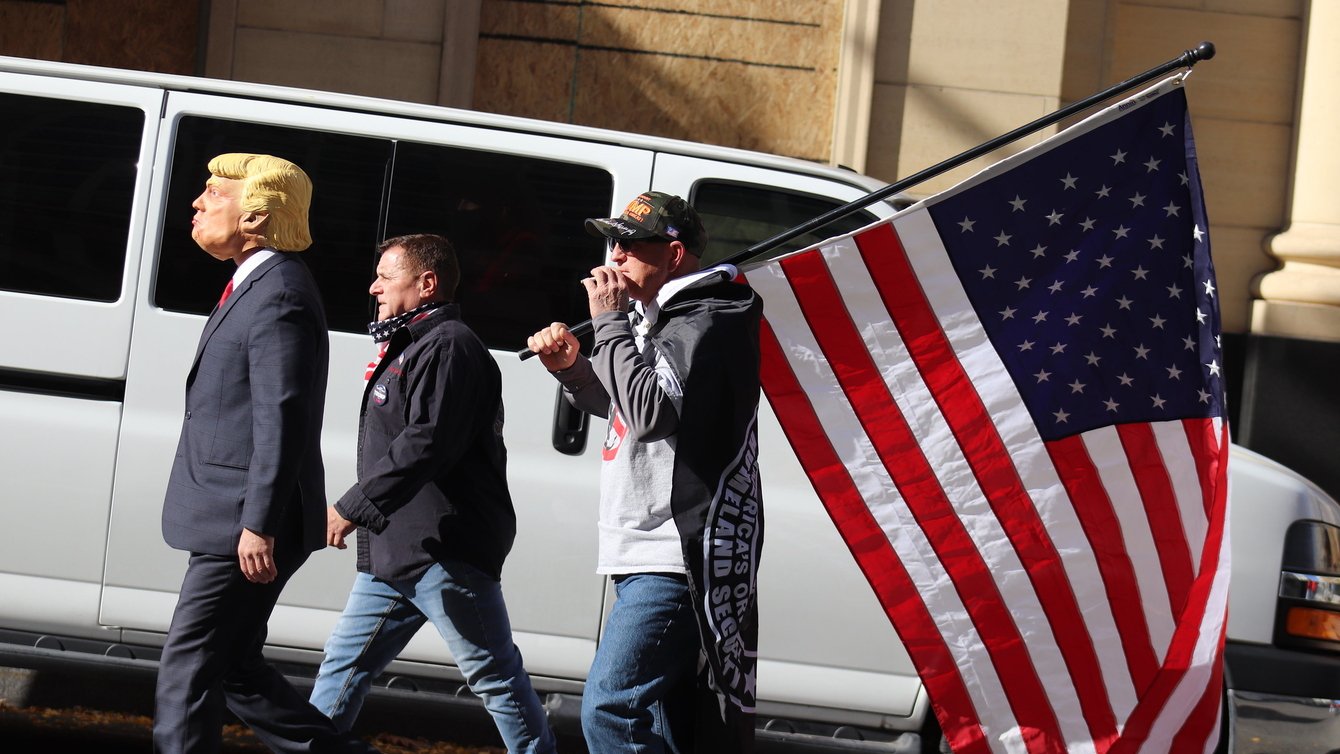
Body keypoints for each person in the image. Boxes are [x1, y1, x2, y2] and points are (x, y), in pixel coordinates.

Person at [527, 192, 764, 753]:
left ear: (674, 254)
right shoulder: (659, 318)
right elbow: (626, 411)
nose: (614, 255)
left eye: (630, 245)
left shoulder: (707, 316)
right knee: (667, 726)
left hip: (675, 553)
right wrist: (575, 372)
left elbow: (654, 414)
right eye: (613, 242)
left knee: (610, 709)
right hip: (643, 549)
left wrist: (606, 322)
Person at [156, 153, 375, 753]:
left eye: (214, 193)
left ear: (257, 213)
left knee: (188, 670)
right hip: (238, 514)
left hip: (244, 522)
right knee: (233, 668)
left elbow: (282, 417)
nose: (199, 202)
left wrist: (257, 524)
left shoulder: (278, 292)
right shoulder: (257, 283)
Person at [311, 234, 556, 754]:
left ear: (426, 284)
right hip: (399, 547)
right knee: (344, 664)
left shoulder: (450, 346)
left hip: (445, 550)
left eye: (386, 276)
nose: (374, 286)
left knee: (494, 678)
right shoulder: (414, 343)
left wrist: (352, 507)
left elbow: (427, 442)